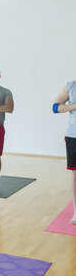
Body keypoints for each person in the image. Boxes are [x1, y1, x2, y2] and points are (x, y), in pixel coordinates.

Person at [53, 81, 76, 224]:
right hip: (74, 135)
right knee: (75, 176)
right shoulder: (71, 86)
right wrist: (74, 106)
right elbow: (55, 107)